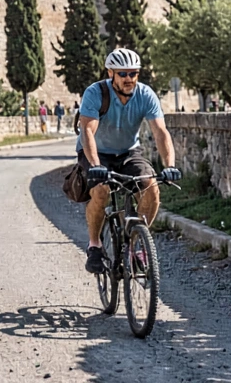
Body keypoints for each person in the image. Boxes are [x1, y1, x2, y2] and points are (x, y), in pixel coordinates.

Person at [77, 48, 181, 274]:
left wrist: (170, 165)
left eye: (133, 73)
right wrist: (95, 165)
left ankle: (134, 244)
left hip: (128, 151)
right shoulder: (96, 93)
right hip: (97, 151)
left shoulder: (146, 95)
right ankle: (95, 244)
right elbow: (87, 130)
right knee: (102, 191)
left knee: (151, 187)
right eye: (122, 73)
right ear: (111, 73)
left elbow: (160, 132)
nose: (128, 79)